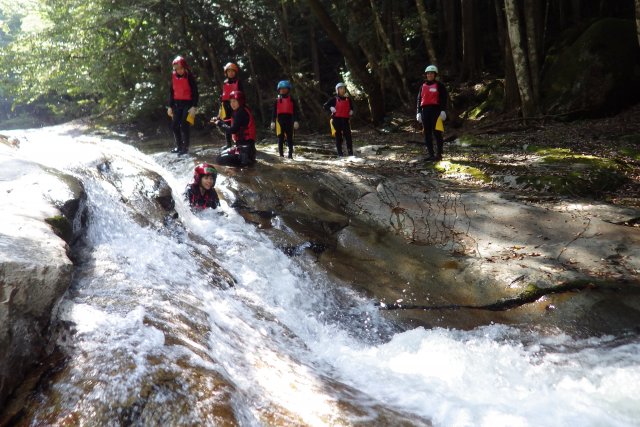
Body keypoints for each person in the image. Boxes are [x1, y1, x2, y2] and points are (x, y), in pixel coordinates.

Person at [211, 90, 257, 167]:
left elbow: (232, 130)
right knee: (221, 155)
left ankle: (240, 168)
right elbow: (233, 123)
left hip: (245, 152)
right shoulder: (242, 109)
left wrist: (220, 124)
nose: (232, 104)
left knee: (220, 159)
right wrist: (220, 121)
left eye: (235, 101)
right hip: (246, 150)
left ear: (240, 101)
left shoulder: (240, 113)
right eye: (231, 101)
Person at [167, 55, 199, 155]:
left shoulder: (189, 76)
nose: (179, 71)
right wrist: (170, 106)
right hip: (177, 104)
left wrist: (194, 106)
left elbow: (195, 92)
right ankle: (179, 146)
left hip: (188, 103)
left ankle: (185, 147)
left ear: (185, 67)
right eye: (177, 69)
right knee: (174, 125)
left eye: (181, 68)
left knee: (184, 125)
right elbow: (172, 92)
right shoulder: (173, 76)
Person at [416, 64, 448, 161]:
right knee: (427, 133)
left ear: (435, 75)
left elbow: (443, 98)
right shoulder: (422, 86)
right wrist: (418, 112)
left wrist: (443, 110)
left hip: (436, 110)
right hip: (425, 111)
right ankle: (431, 154)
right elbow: (419, 99)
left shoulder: (440, 85)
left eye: (431, 73)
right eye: (428, 73)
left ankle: (439, 154)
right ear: (426, 75)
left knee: (437, 132)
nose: (429, 75)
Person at [270, 80, 299, 159]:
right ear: (279, 90)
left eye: (284, 89)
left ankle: (290, 155)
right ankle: (281, 155)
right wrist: (272, 121)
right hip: (279, 121)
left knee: (290, 138)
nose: (282, 90)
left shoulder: (292, 100)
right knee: (280, 138)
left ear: (288, 89)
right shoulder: (277, 100)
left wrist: (296, 120)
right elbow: (274, 112)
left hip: (289, 121)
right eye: (281, 89)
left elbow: (295, 111)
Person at [323, 82, 354, 157]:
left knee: (348, 137)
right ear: (337, 90)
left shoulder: (348, 99)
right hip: (336, 120)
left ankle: (350, 153)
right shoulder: (333, 99)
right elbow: (325, 106)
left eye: (343, 88)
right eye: (340, 89)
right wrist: (330, 107)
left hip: (346, 120)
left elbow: (352, 107)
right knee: (339, 137)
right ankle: (340, 154)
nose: (342, 90)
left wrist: (351, 111)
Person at [218, 62, 244, 148]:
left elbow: (242, 94)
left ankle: (239, 142)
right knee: (227, 123)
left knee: (236, 123)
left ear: (235, 72)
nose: (231, 73)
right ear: (226, 73)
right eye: (229, 71)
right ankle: (228, 144)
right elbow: (222, 94)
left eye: (232, 71)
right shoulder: (225, 82)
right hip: (226, 105)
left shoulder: (238, 82)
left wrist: (242, 106)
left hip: (236, 105)